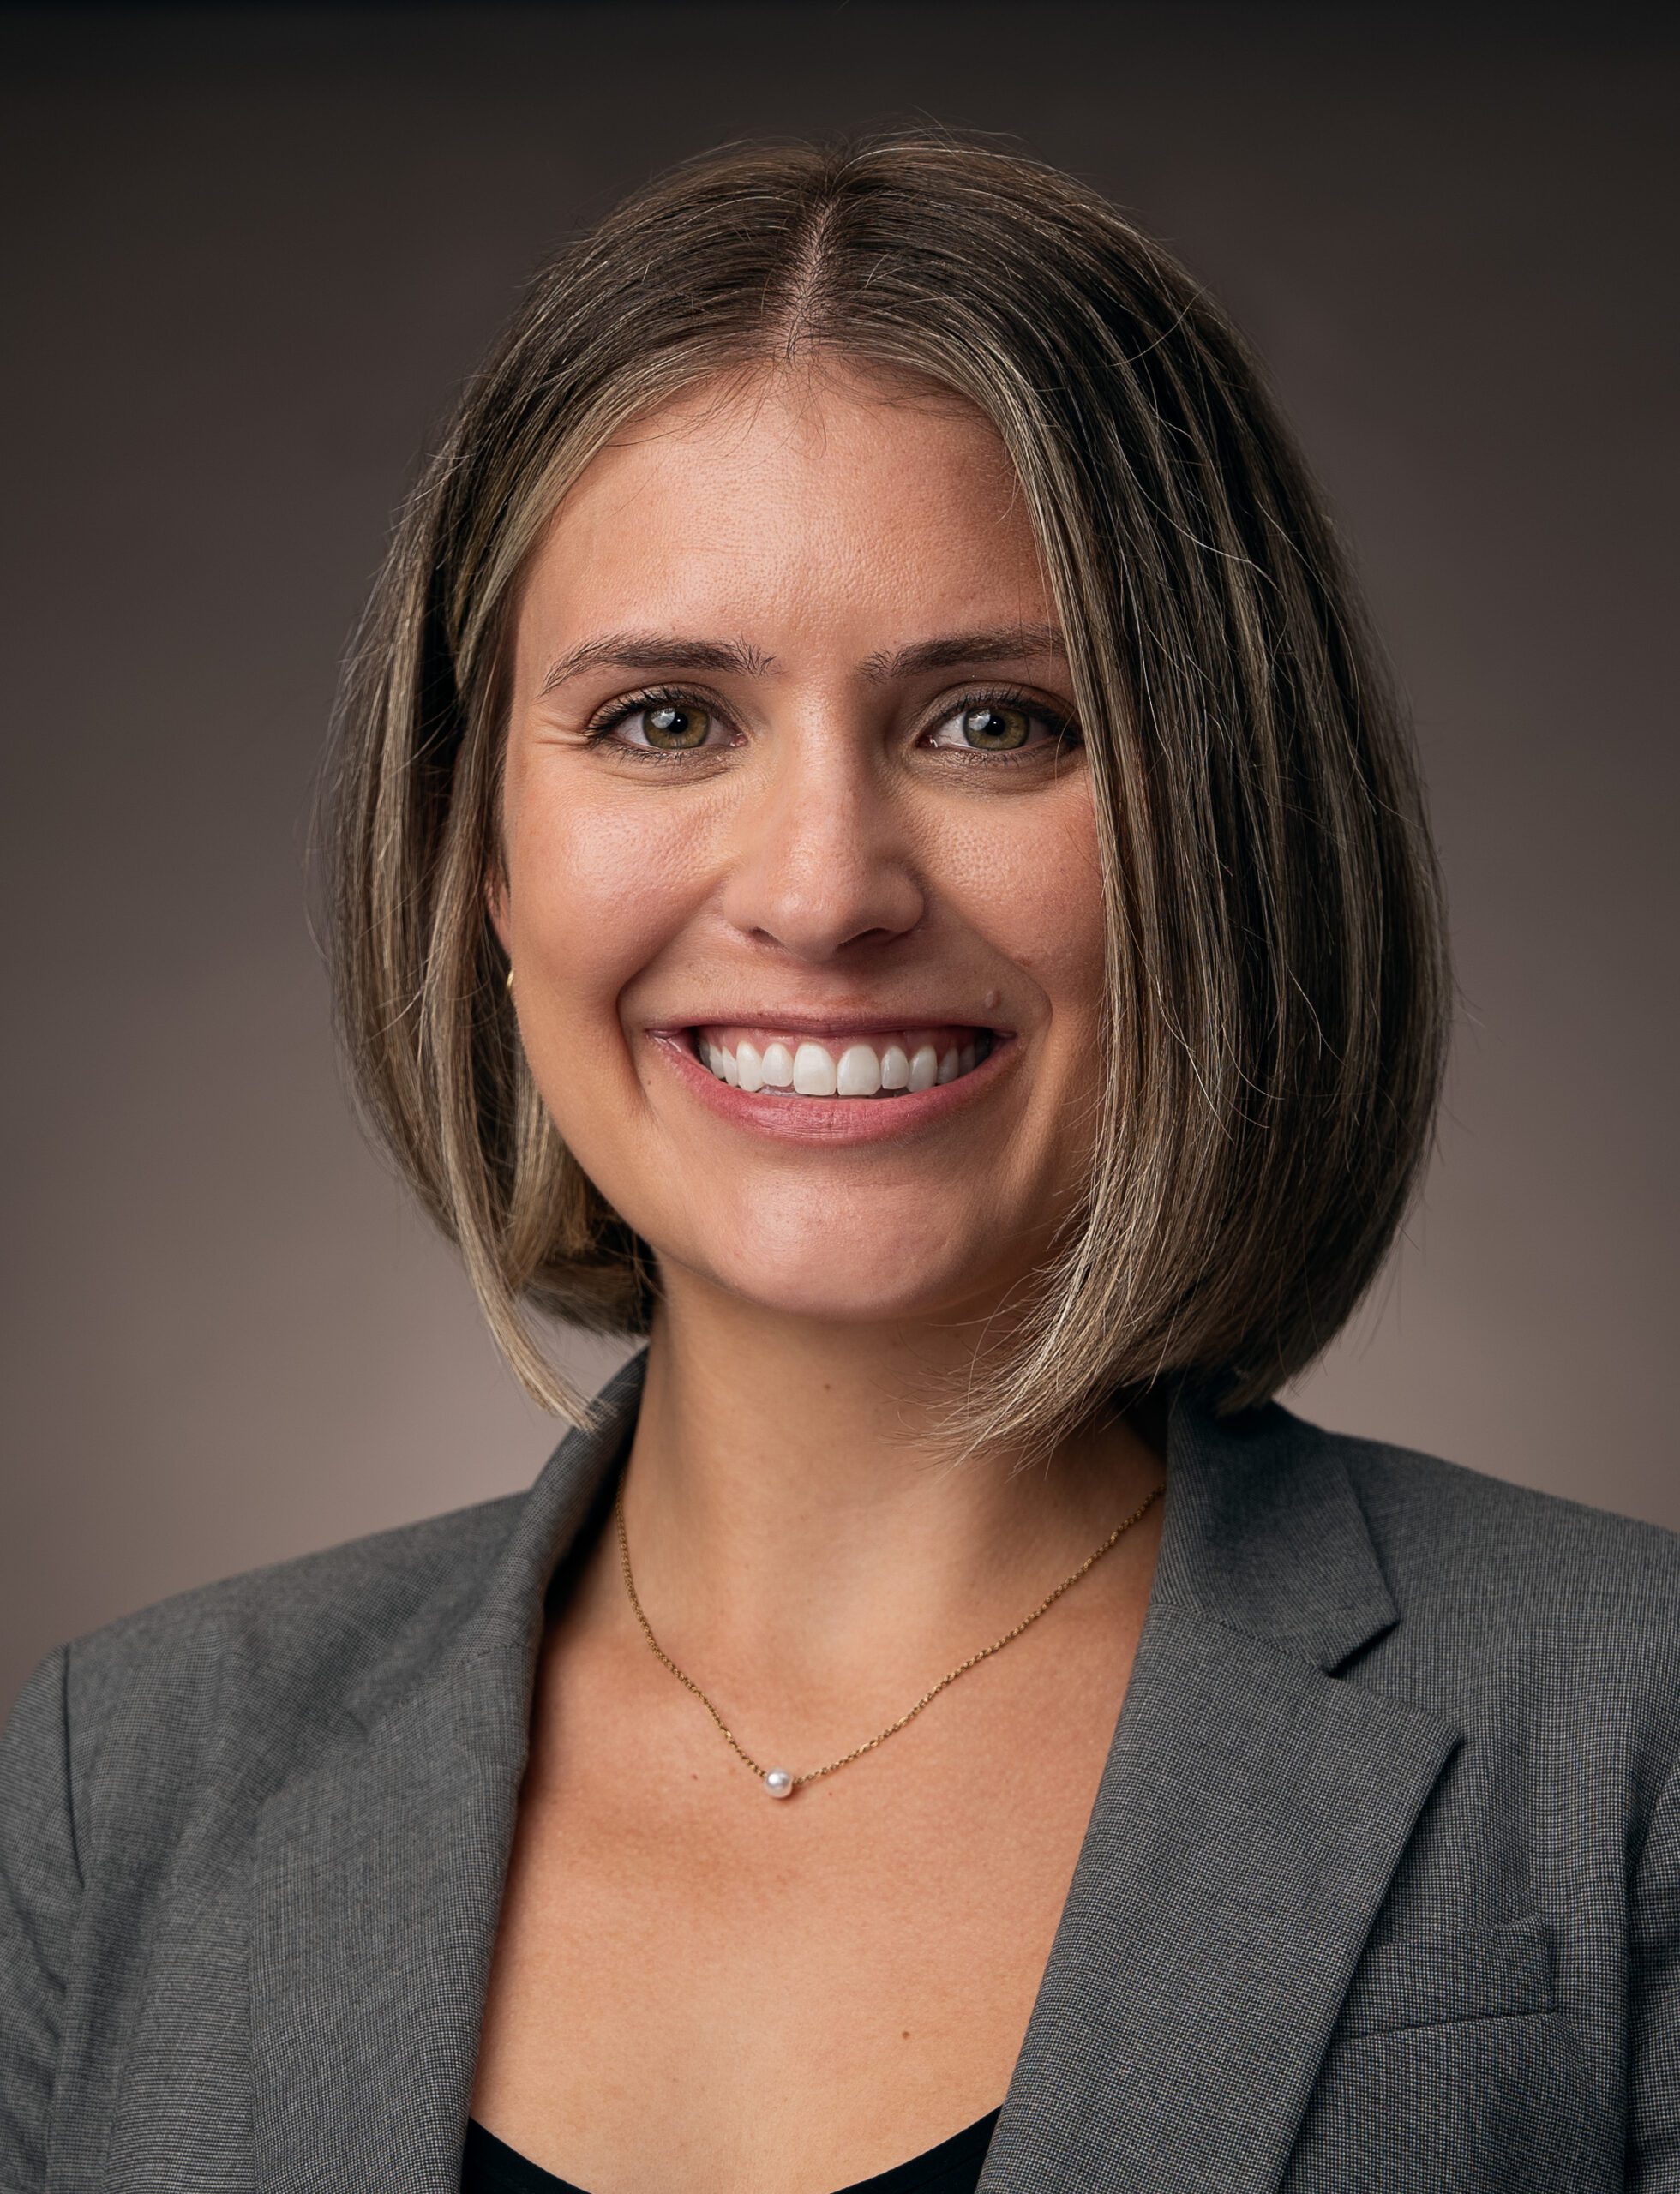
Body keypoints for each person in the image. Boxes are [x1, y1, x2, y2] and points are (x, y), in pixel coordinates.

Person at [2, 131, 1675, 2194]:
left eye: (992, 722)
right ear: (476, 861)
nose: (820, 890)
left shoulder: (1627, 1736)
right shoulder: (116, 1784)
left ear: (1223, 826)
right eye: (663, 720)